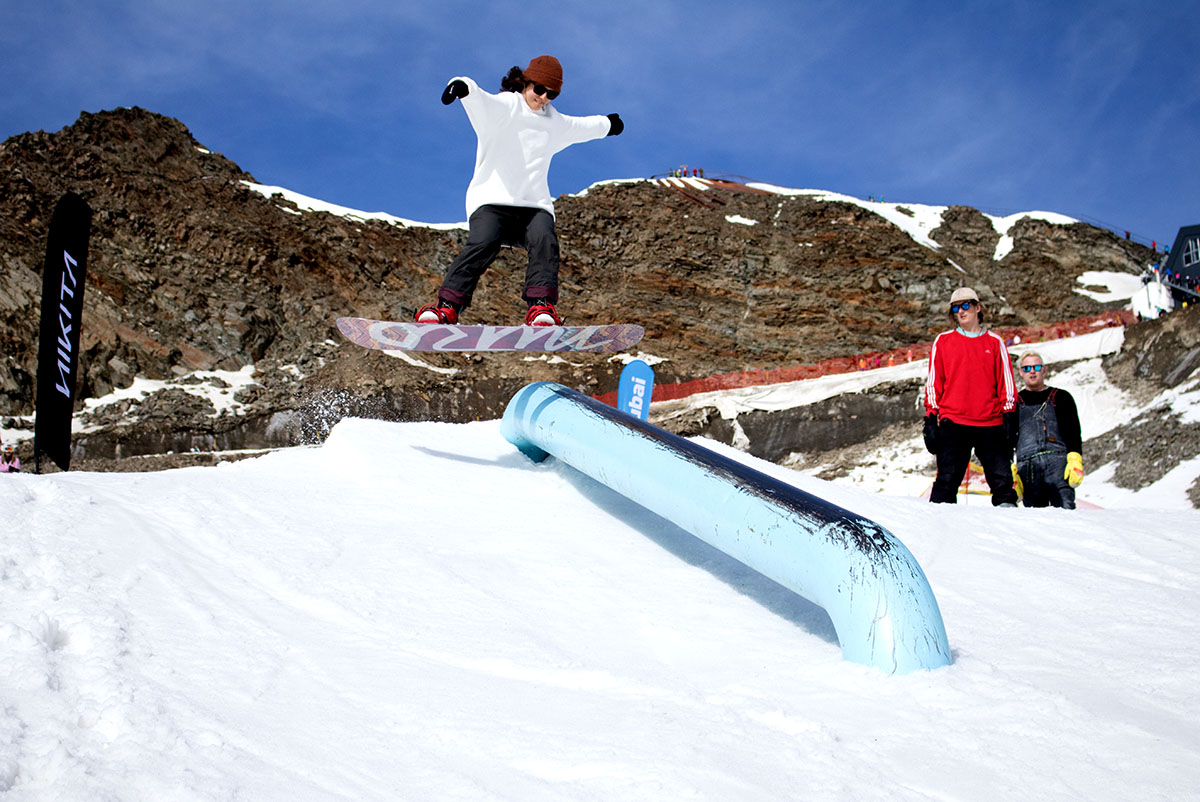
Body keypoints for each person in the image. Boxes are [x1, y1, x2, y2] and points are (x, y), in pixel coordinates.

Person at [416, 56, 624, 327]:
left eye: (552, 94)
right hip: (492, 201)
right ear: (526, 82)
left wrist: (608, 124)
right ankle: (447, 307)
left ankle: (541, 307)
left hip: (533, 206)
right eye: (539, 89)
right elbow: (480, 99)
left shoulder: (554, 122)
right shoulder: (505, 107)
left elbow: (582, 126)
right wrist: (461, 86)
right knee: (484, 241)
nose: (543, 98)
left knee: (544, 240)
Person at [922, 287, 1018, 505]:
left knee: (1003, 483)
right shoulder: (943, 341)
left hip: (991, 422)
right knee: (946, 481)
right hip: (954, 421)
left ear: (978, 307)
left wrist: (1009, 416)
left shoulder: (994, 342)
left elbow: (1006, 382)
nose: (961, 311)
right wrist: (930, 418)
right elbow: (935, 382)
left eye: (966, 305)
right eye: (956, 308)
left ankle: (1009, 521)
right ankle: (941, 522)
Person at [1011, 352, 1083, 509]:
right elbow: (1006, 438)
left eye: (1036, 367)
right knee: (1037, 520)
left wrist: (1075, 458)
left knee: (1066, 512)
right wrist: (1010, 469)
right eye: (1027, 368)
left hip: (1058, 465)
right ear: (1021, 372)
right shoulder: (1014, 403)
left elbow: (1073, 432)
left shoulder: (1061, 397)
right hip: (1028, 468)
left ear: (1044, 370)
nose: (1032, 371)